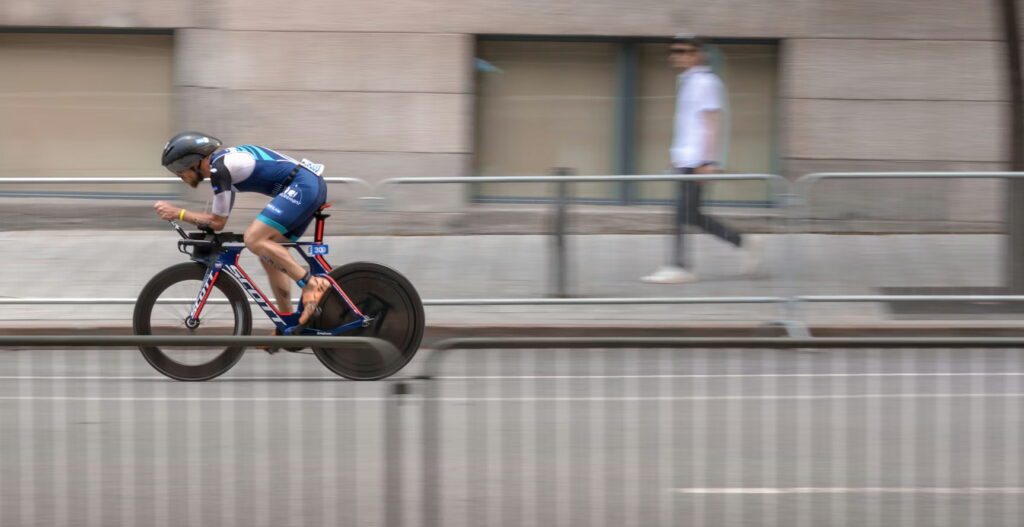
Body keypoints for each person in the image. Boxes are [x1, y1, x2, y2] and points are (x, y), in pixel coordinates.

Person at [154, 131, 330, 325]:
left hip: (303, 186)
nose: (179, 175)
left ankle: (312, 285)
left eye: (179, 168)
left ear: (195, 161)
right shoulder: (224, 164)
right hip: (307, 185)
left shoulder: (219, 169)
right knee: (269, 256)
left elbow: (217, 222)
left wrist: (178, 213)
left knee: (254, 239)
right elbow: (218, 219)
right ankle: (288, 323)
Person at [642, 36, 763, 284]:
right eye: (673, 50)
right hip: (687, 159)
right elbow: (688, 125)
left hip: (698, 162)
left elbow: (711, 124)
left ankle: (680, 266)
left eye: (683, 50)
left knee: (682, 214)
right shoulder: (687, 82)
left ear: (698, 54)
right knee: (691, 215)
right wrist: (676, 156)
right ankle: (743, 242)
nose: (676, 55)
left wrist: (708, 162)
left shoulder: (706, 83)